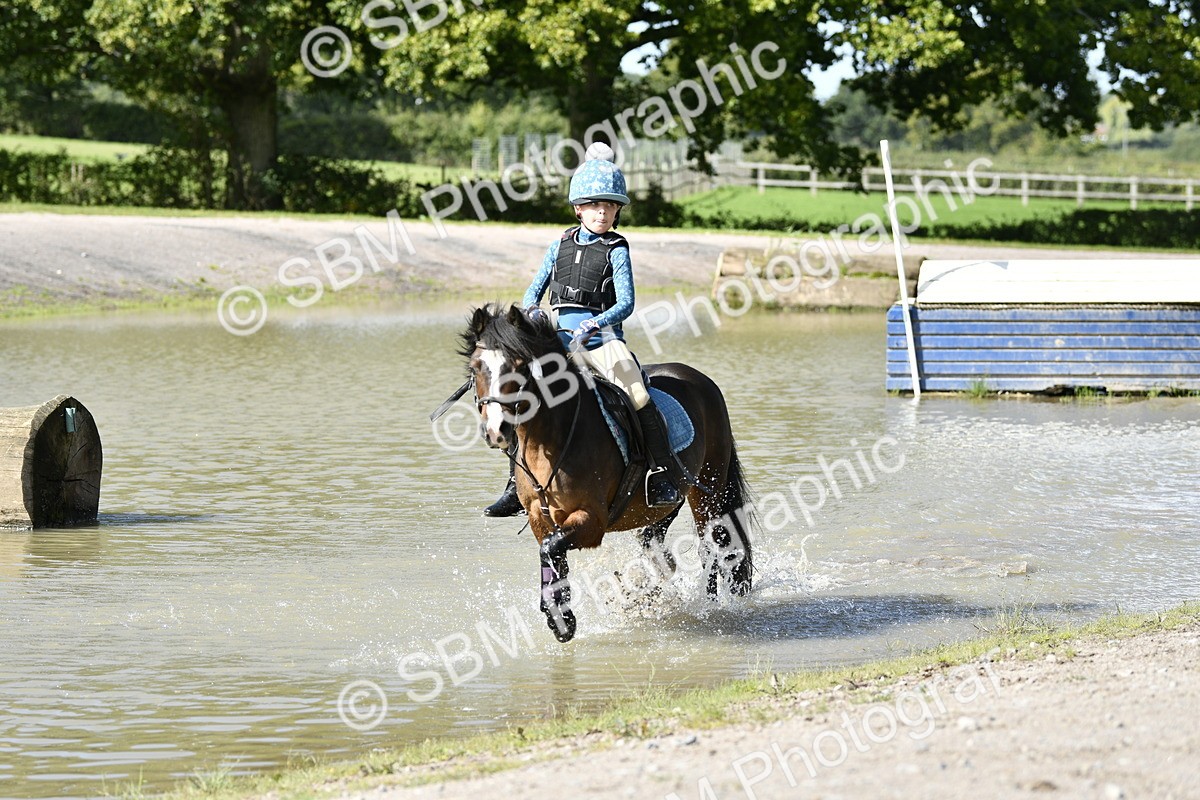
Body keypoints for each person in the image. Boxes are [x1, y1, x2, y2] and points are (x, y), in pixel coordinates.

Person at [483, 143, 682, 517]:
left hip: (602, 340)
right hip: (556, 338)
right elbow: (533, 291)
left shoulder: (616, 249)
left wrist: (598, 321)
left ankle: (661, 473)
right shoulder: (558, 244)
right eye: (594, 205)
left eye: (610, 206)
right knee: (521, 392)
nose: (602, 212)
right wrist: (531, 313)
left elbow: (626, 304)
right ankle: (516, 483)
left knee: (636, 391)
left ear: (617, 210)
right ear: (579, 208)